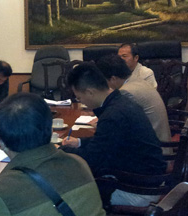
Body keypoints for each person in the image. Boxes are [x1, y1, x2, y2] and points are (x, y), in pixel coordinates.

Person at [61, 63, 166, 206]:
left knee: (68, 193)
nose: (81, 102)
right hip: (146, 175)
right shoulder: (120, 102)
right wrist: (79, 143)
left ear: (90, 92)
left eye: (79, 98)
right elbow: (107, 141)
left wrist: (62, 151)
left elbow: (92, 160)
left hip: (139, 189)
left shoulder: (113, 115)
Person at [96, 55, 171, 147]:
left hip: (152, 147)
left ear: (113, 79)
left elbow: (117, 125)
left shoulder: (126, 92)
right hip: (158, 140)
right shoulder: (138, 81)